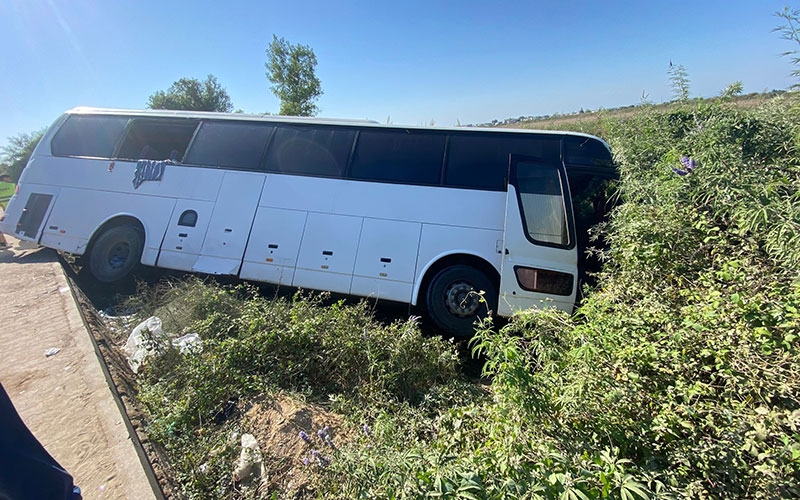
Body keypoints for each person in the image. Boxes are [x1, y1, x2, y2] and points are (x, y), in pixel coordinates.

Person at [0, 174, 15, 247]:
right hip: (15, 207)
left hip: (5, 207)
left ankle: (3, 243)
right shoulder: (11, 185)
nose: (10, 179)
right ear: (5, 178)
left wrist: (3, 207)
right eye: (9, 178)